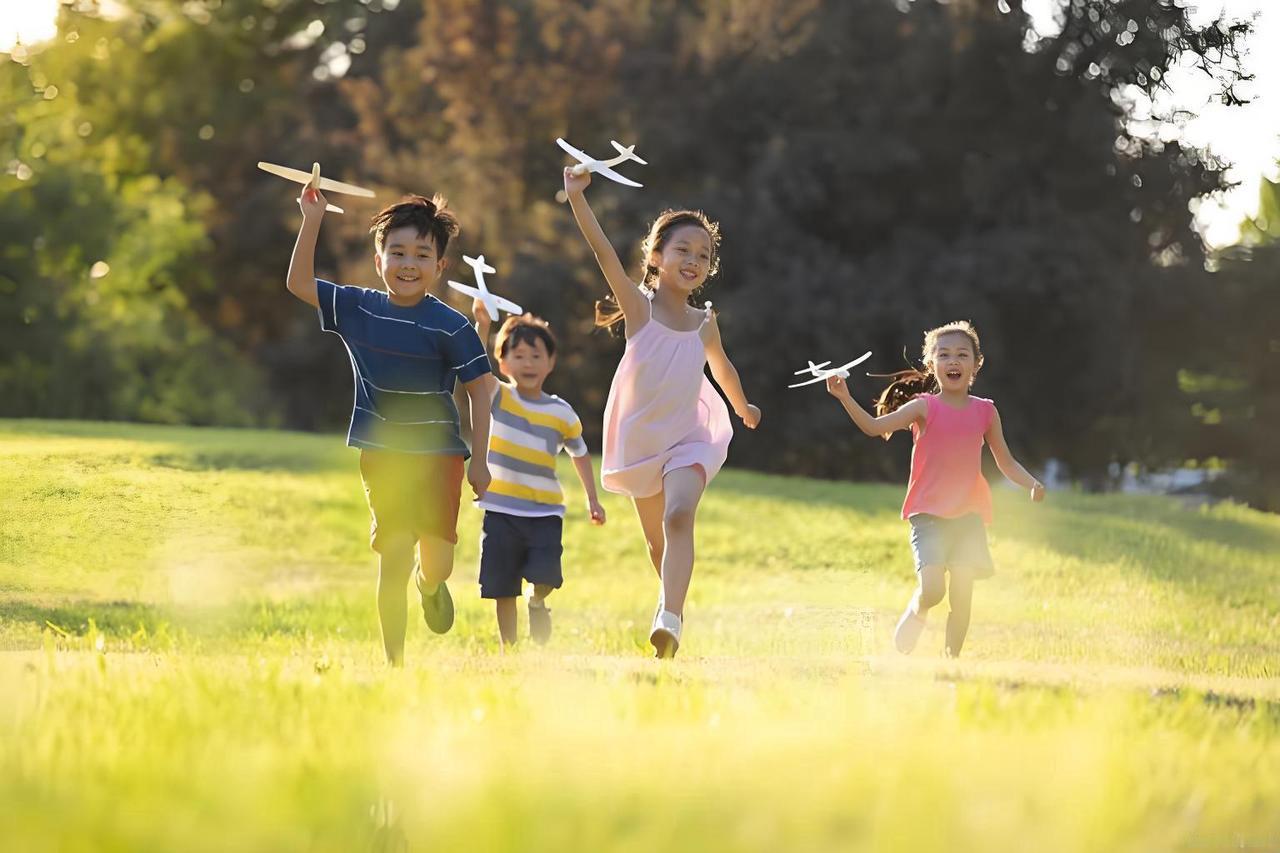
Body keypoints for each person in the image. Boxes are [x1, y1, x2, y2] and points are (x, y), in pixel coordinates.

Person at [285, 188, 494, 666]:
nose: (408, 263)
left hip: (441, 456)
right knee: (393, 555)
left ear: (440, 267)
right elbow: (298, 282)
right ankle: (395, 665)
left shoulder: (451, 326)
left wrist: (479, 460)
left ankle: (430, 584)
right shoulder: (358, 308)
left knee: (437, 562)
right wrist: (312, 218)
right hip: (383, 453)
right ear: (378, 259)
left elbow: (481, 390)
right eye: (397, 252)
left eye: (422, 255)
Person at [563, 166, 761, 658]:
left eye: (704, 255)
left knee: (678, 516)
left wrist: (743, 408)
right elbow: (603, 252)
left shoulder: (704, 323)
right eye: (683, 251)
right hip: (642, 440)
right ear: (656, 257)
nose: (694, 260)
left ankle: (668, 618)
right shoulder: (638, 307)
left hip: (690, 436)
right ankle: (674, 614)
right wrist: (575, 197)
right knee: (658, 545)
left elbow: (724, 370)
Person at [823, 321, 1044, 657]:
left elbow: (1006, 462)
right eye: (944, 355)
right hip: (928, 515)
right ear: (931, 364)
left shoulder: (986, 411)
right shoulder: (924, 407)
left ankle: (951, 660)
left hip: (969, 516)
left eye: (961, 355)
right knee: (934, 590)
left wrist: (1032, 483)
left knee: (962, 594)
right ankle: (918, 611)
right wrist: (843, 397)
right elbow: (873, 427)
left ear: (975, 364)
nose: (953, 361)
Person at [470, 306, 606, 648]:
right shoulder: (498, 396)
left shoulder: (561, 412)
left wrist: (592, 499)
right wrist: (482, 325)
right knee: (502, 585)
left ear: (551, 363)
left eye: (536, 355)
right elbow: (471, 367)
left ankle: (537, 600)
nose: (528, 363)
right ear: (503, 363)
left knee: (546, 577)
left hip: (545, 513)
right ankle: (509, 650)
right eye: (518, 355)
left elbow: (580, 453)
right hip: (501, 510)